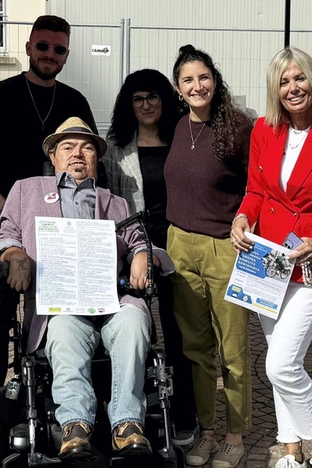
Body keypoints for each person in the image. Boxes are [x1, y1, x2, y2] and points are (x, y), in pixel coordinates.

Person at [0, 14, 97, 466]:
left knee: (64, 317)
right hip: (8, 226)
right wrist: (0, 202)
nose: (49, 55)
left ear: (66, 55)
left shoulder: (74, 100)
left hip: (65, 230)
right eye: (43, 46)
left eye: (59, 49)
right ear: (29, 46)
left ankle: (65, 408)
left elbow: (92, 163)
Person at [0, 117, 155, 459]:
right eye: (68, 147)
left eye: (88, 147)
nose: (79, 154)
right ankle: (75, 424)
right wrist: (14, 253)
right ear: (53, 155)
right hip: (61, 302)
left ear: (96, 159)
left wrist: (143, 255)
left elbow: (138, 239)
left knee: (134, 321)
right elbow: (6, 234)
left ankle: (127, 423)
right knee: (62, 326)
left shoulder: (113, 202)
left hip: (110, 300)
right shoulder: (27, 190)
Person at [230, 47, 312, 468]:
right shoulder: (264, 130)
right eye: (284, 81)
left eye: (299, 78)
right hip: (267, 260)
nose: (292, 87)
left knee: (281, 365)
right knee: (279, 358)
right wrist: (242, 218)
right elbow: (256, 190)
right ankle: (290, 451)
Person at [165, 45, 254, 468]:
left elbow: (257, 187)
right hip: (180, 246)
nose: (197, 86)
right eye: (188, 80)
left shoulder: (238, 127)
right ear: (178, 89)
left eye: (203, 77)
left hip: (224, 248)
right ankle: (206, 431)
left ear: (214, 81)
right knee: (197, 349)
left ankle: (234, 434)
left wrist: (243, 219)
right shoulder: (178, 126)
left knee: (232, 349)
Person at [102, 68, 199, 445]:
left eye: (153, 97)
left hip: (177, 242)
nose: (146, 105)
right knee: (129, 326)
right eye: (138, 98)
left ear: (166, 99)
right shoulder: (114, 147)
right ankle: (122, 411)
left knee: (180, 332)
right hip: (132, 248)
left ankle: (184, 412)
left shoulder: (180, 138)